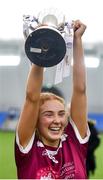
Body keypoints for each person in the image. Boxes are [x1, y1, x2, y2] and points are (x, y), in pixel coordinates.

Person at [15, 20, 90, 179]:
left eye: (61, 113)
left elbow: (80, 90)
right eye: (48, 114)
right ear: (35, 120)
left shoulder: (74, 142)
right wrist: (42, 42)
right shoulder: (28, 150)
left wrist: (77, 40)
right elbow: (32, 98)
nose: (57, 120)